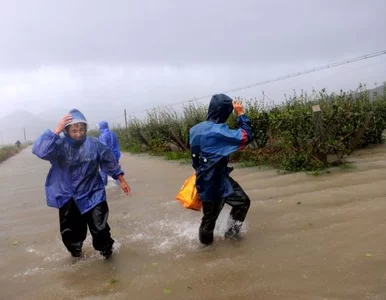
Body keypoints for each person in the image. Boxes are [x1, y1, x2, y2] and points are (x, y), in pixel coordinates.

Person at [32, 109, 131, 259]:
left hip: (94, 193)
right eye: (74, 131)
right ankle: (77, 256)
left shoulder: (95, 144)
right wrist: (56, 131)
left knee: (101, 229)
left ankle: (108, 256)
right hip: (68, 196)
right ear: (66, 131)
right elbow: (40, 150)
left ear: (85, 129)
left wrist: (121, 180)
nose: (78, 134)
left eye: (81, 130)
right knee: (71, 235)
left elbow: (109, 161)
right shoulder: (58, 146)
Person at [189, 94, 252, 245]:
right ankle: (206, 252)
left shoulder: (195, 129)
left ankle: (231, 236)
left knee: (242, 202)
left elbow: (194, 154)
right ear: (225, 111)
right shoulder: (219, 131)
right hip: (212, 181)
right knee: (209, 220)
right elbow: (246, 136)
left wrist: (198, 171)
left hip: (215, 177)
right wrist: (241, 114)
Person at [98, 120, 121, 186]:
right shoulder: (113, 134)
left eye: (99, 127)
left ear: (101, 127)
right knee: (117, 172)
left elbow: (103, 148)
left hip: (107, 158)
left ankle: (102, 188)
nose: (99, 128)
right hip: (116, 156)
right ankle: (122, 186)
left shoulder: (102, 136)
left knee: (103, 173)